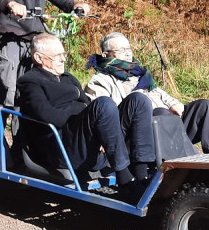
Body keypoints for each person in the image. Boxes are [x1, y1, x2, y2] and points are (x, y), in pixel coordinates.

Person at [16, 33, 156, 191]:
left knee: (138, 100)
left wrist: (97, 126)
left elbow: (86, 105)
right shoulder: (30, 81)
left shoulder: (68, 78)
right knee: (103, 104)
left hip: (85, 141)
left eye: (63, 54)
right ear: (39, 58)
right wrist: (83, 114)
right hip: (62, 147)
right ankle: (125, 181)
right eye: (57, 56)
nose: (63, 59)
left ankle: (141, 173)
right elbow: (45, 114)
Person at [85, 32, 209, 154]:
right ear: (105, 54)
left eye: (129, 48)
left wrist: (173, 103)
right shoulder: (100, 80)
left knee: (203, 106)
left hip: (169, 128)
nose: (128, 52)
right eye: (122, 50)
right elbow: (100, 111)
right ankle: (193, 160)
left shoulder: (138, 73)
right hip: (139, 136)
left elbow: (159, 93)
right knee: (160, 113)